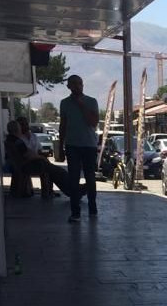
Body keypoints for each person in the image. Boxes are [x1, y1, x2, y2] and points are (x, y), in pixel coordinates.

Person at [58, 75, 99, 222]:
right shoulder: (64, 103)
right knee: (73, 179)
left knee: (90, 177)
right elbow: (63, 126)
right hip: (72, 146)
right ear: (68, 86)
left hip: (89, 145)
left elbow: (93, 123)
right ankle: (75, 212)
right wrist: (60, 147)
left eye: (79, 83)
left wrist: (81, 105)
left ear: (83, 85)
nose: (77, 86)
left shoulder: (91, 101)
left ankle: (93, 208)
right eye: (73, 84)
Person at [4, 120, 74, 199]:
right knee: (58, 171)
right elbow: (28, 155)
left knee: (54, 170)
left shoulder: (10, 140)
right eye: (20, 127)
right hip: (28, 165)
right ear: (17, 129)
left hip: (24, 164)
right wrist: (42, 158)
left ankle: (70, 189)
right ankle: (72, 190)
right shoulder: (18, 141)